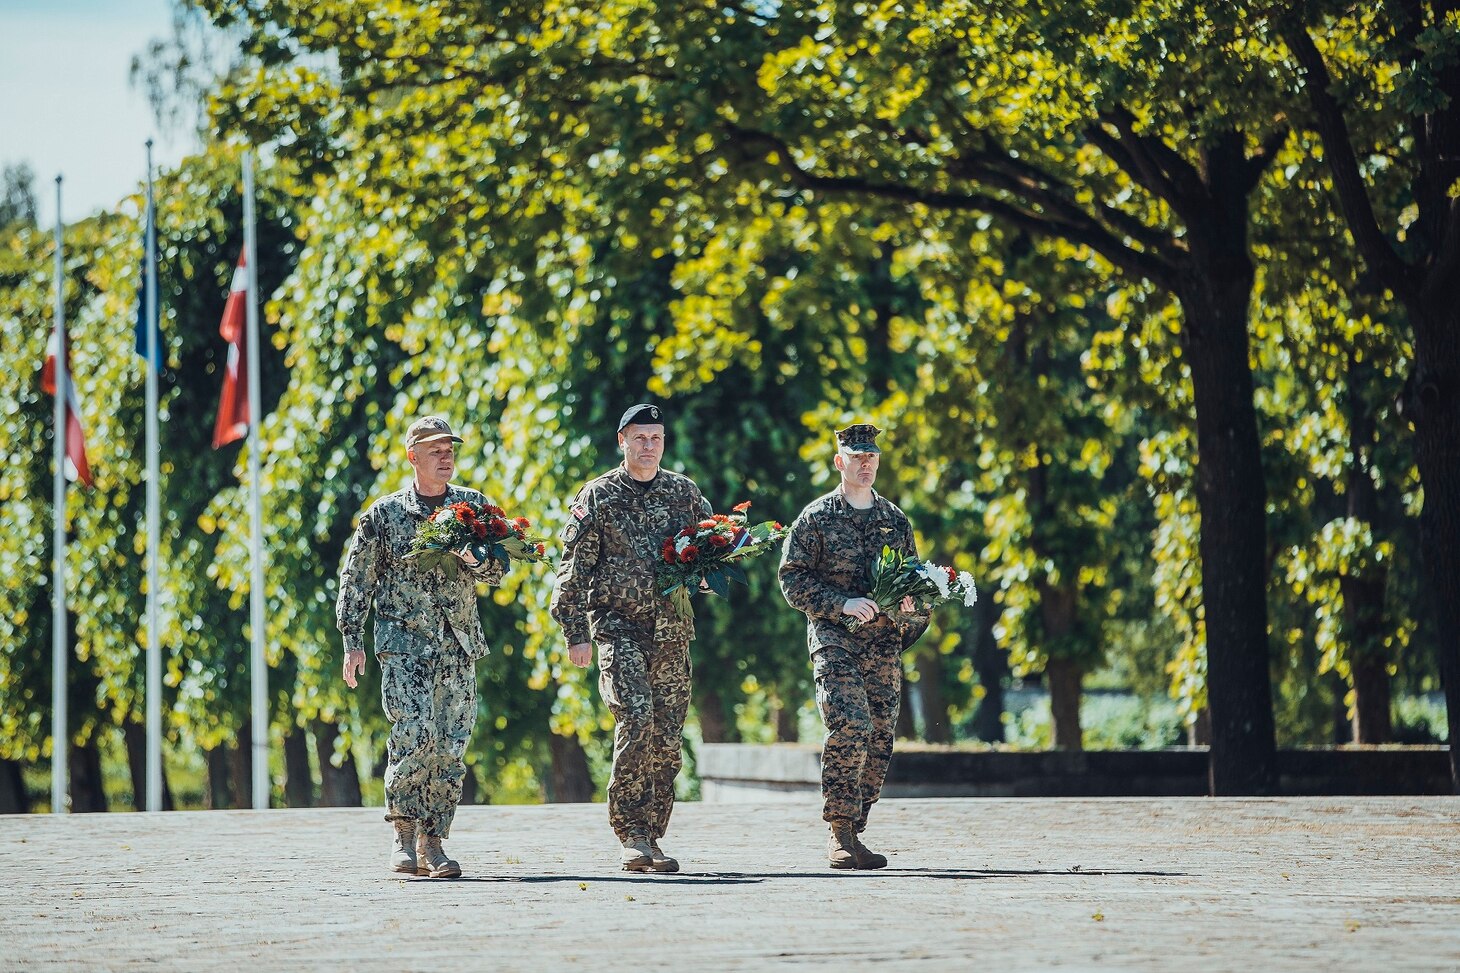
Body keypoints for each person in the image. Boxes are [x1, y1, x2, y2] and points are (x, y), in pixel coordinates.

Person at [336, 415, 505, 879]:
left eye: (449, 448)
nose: (445, 456)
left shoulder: (474, 508)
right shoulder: (385, 514)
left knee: (450, 744)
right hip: (404, 644)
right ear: (413, 456)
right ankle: (404, 834)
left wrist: (478, 559)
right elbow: (357, 579)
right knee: (413, 734)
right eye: (434, 449)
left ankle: (435, 841)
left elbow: (498, 570)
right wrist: (353, 641)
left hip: (458, 645)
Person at [550, 403, 712, 873]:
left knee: (666, 739)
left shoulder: (684, 493)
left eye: (656, 438)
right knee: (636, 719)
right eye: (640, 438)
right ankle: (631, 832)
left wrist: (706, 573)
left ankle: (653, 835)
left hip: (672, 633)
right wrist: (575, 632)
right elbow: (573, 570)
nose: (648, 446)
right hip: (618, 629)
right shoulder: (599, 496)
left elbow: (711, 547)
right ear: (622, 440)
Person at [779, 422, 926, 870]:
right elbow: (792, 579)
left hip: (882, 646)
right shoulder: (816, 518)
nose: (865, 465)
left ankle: (856, 829)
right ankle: (839, 832)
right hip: (834, 639)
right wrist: (841, 603)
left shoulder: (894, 520)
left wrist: (910, 608)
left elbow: (915, 585)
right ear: (840, 462)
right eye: (857, 458)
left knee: (880, 738)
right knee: (851, 725)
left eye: (872, 458)